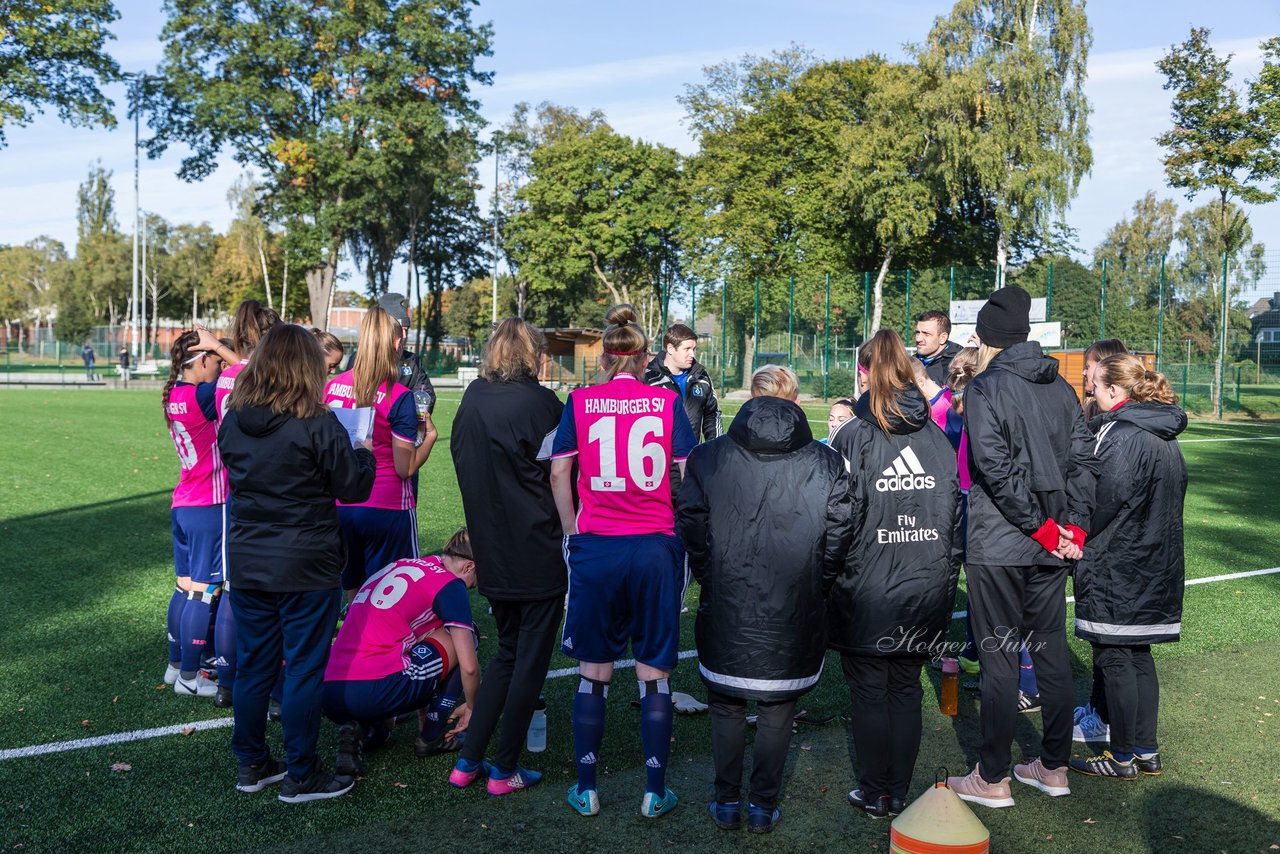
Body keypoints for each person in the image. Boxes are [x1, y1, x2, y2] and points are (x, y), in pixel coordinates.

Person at [677, 365, 852, 834]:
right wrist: (819, 581)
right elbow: (839, 534)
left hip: (732, 599)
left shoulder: (708, 457)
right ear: (793, 399)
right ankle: (758, 806)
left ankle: (731, 802)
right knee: (776, 709)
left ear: (753, 396)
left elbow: (691, 523)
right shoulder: (826, 461)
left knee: (728, 705)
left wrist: (708, 572)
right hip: (793, 601)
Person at [946, 286, 1098, 809]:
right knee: (1050, 652)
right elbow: (1083, 466)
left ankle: (993, 777)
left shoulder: (988, 387)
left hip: (1005, 542)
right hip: (1048, 540)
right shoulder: (1062, 387)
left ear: (987, 338)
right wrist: (1068, 527)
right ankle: (1053, 767)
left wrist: (1053, 528)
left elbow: (994, 468)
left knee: (1000, 656)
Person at [217, 324, 376, 803]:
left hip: (249, 557)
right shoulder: (317, 422)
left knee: (254, 667)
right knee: (304, 668)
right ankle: (301, 773)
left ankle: (252, 762)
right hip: (306, 560)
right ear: (305, 366)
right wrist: (363, 453)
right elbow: (353, 487)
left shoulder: (233, 419)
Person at [550, 304, 697, 819]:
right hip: (655, 545)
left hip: (598, 546)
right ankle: (655, 791)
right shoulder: (664, 399)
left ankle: (587, 788)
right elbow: (685, 472)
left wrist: (572, 531)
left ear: (606, 354)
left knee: (594, 668)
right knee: (654, 671)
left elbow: (558, 471)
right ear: (642, 357)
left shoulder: (582, 399)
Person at [828, 330, 962, 820]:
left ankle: (875, 790)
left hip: (866, 585)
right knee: (904, 687)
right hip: (924, 581)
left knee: (870, 688)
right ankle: (895, 791)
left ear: (864, 373)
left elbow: (836, 517)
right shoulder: (936, 436)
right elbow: (953, 512)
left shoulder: (852, 435)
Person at [448, 319, 567, 794]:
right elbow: (562, 472)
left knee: (507, 655)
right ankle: (504, 767)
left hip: (491, 548)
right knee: (528, 662)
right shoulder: (541, 403)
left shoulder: (475, 396)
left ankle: (469, 760)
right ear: (532, 354)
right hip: (535, 547)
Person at [1069, 356, 1186, 781]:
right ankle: (1145, 750)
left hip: (1120, 564)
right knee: (1138, 656)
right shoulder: (1164, 434)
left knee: (1116, 656)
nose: (1091, 393)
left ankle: (1121, 757)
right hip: (1157, 561)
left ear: (1115, 392)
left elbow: (1104, 498)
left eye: (1096, 387)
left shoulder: (1121, 433)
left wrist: (1074, 535)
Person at [322, 529, 482, 777]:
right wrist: (474, 706)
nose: (474, 586)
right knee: (466, 637)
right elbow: (469, 665)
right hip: (375, 687)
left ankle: (363, 730)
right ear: (469, 566)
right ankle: (432, 737)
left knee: (425, 641)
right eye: (477, 579)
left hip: (331, 692)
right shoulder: (450, 584)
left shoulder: (406, 564)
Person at [194, 299, 280, 707]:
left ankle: (229, 679)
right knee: (259, 588)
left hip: (234, 488)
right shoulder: (265, 375)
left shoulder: (228, 375)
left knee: (234, 586)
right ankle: (247, 681)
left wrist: (218, 348)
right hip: (266, 490)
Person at [325, 307, 436, 598]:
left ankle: (354, 642)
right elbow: (405, 468)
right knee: (392, 596)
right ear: (394, 344)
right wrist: (431, 438)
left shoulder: (332, 387)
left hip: (341, 504)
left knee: (355, 592)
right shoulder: (399, 396)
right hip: (386, 506)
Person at [162, 331, 226, 698]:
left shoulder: (174, 393)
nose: (219, 369)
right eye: (214, 362)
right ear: (200, 361)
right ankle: (190, 675)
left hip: (184, 501)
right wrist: (220, 347)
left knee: (184, 586)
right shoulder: (203, 395)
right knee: (203, 592)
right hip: (208, 504)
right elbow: (251, 371)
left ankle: (175, 665)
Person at [1073, 338, 1130, 742]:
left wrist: (1079, 528)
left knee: (1113, 647)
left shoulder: (1119, 428)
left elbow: (1107, 492)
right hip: (1100, 547)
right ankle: (1097, 708)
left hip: (1111, 548)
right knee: (1100, 640)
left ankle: (1108, 723)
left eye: (1090, 366)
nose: (1083, 372)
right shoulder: (1095, 413)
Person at [644, 323, 721, 495]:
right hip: (656, 469)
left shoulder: (701, 376)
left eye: (694, 349)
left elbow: (712, 415)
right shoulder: (648, 377)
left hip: (691, 465)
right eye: (687, 349)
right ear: (670, 348)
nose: (692, 355)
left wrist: (715, 450)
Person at [1081, 339, 1130, 421]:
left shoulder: (1119, 418)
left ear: (1103, 367)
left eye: (1087, 367)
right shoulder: (1093, 409)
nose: (1083, 373)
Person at [914, 310, 962, 386]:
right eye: (917, 332)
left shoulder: (956, 367)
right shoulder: (910, 362)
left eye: (926, 334)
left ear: (942, 338)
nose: (918, 339)